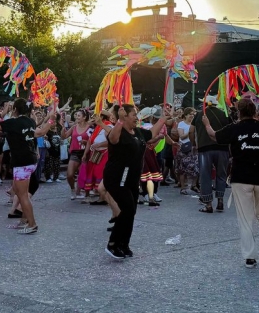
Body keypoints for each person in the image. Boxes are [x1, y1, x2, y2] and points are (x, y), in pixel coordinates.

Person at [201, 98, 259, 268]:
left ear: (239, 112)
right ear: (255, 111)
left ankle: (250, 257)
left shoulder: (234, 128)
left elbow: (214, 135)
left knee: (245, 218)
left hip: (241, 176)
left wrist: (207, 123)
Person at [103, 104, 169, 259]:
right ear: (124, 116)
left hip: (132, 178)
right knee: (127, 209)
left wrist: (164, 119)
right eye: (133, 114)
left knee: (131, 211)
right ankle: (112, 244)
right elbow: (112, 138)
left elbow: (152, 132)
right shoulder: (118, 132)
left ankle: (124, 244)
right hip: (116, 178)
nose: (136, 117)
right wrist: (119, 121)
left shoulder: (138, 132)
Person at [0, 98, 55, 234]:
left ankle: (32, 224)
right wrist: (51, 120)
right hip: (30, 161)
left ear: (15, 109)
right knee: (20, 193)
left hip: (22, 163)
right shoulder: (30, 121)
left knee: (23, 195)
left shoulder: (13, 122)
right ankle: (24, 221)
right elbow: (40, 133)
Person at [192, 97, 232, 214]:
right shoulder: (224, 114)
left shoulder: (200, 115)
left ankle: (208, 204)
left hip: (205, 149)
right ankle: (220, 200)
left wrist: (194, 144)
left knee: (206, 176)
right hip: (222, 148)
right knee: (221, 175)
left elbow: (191, 131)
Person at [64, 108, 91, 200]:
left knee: (84, 175)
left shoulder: (90, 127)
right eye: (76, 115)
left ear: (84, 117)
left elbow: (93, 140)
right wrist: (62, 127)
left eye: (79, 115)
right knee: (70, 174)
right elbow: (64, 136)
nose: (76, 117)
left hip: (86, 153)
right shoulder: (74, 127)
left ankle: (86, 194)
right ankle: (73, 189)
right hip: (75, 152)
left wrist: (86, 142)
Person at [173, 107, 199, 195]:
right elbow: (181, 136)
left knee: (196, 167)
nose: (192, 116)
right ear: (186, 115)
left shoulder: (195, 124)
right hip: (184, 148)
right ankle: (183, 187)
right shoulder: (181, 124)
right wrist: (190, 132)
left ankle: (194, 185)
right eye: (190, 114)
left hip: (193, 148)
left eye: (193, 114)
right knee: (182, 168)